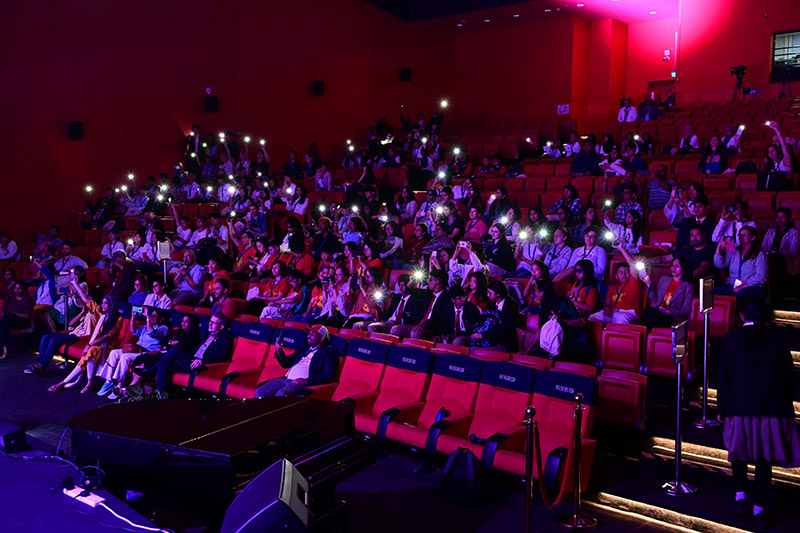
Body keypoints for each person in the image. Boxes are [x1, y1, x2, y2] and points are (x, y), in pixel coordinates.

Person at [718, 296, 800, 527]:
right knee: (764, 458)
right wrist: (786, 406)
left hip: (739, 407)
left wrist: (722, 407)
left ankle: (740, 498)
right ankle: (759, 509)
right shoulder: (778, 338)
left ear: (740, 314)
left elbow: (724, 377)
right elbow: (789, 376)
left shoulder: (731, 338)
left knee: (738, 454)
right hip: (771, 409)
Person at [47, 295, 122, 394]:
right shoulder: (102, 315)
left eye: (106, 303)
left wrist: (89, 345)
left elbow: (107, 336)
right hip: (98, 345)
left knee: (92, 350)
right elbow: (89, 302)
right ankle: (77, 382)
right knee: (91, 352)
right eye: (102, 303)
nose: (103, 305)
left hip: (109, 347)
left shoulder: (118, 318)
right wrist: (75, 289)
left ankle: (65, 383)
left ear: (111, 305)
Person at [152, 313, 234, 395]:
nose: (210, 324)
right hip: (191, 361)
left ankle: (150, 371)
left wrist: (202, 361)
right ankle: (160, 395)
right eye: (210, 321)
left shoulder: (225, 337)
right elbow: (195, 350)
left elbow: (222, 357)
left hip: (202, 367)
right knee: (163, 366)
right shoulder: (207, 333)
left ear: (221, 327)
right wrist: (184, 357)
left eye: (214, 323)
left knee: (177, 349)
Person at [97, 308, 169, 399]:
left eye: (155, 316)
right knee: (114, 352)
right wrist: (133, 317)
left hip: (147, 353)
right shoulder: (145, 327)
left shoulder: (163, 328)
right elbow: (134, 330)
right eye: (151, 315)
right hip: (136, 349)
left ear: (161, 319)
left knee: (125, 357)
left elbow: (151, 333)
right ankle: (109, 381)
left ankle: (119, 384)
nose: (152, 317)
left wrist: (147, 317)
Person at [616, 244, 692, 328]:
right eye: (672, 265)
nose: (673, 268)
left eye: (677, 266)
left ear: (684, 268)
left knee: (651, 315)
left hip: (671, 316)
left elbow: (686, 310)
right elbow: (654, 299)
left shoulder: (688, 286)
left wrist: (669, 311)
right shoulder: (664, 279)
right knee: (649, 312)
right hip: (657, 312)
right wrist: (648, 283)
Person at [254, 325, 339, 397]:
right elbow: (286, 363)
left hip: (301, 384)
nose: (308, 336)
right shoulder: (303, 348)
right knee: (261, 391)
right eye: (309, 334)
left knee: (281, 395)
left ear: (322, 338)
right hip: (285, 379)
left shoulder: (329, 352)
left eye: (312, 334)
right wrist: (279, 351)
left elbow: (329, 375)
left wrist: (307, 381)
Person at [588, 248, 643, 324]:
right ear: (616, 276)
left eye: (627, 272)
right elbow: (608, 302)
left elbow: (632, 266)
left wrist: (621, 248)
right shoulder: (613, 288)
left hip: (630, 313)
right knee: (592, 318)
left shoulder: (633, 283)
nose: (624, 274)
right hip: (614, 312)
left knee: (618, 317)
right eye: (621, 272)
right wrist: (607, 308)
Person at [390, 269, 449, 340]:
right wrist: (409, 284)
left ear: (438, 282)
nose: (428, 281)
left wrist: (424, 325)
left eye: (430, 279)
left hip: (432, 328)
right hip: (419, 325)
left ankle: (410, 348)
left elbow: (438, 318)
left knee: (415, 333)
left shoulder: (446, 298)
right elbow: (413, 291)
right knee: (396, 329)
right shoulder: (429, 294)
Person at [714, 226, 767, 299]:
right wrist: (718, 248)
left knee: (741, 294)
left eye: (745, 234)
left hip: (751, 285)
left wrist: (743, 286)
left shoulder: (759, 254)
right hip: (733, 284)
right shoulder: (733, 251)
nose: (741, 237)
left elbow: (761, 277)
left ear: (753, 238)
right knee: (715, 292)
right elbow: (720, 265)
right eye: (740, 235)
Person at [464, 280, 518, 352]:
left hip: (503, 341)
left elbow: (505, 330)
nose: (488, 295)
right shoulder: (491, 302)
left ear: (498, 294)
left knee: (474, 350)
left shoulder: (510, 306)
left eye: (490, 293)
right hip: (490, 337)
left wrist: (483, 335)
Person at [0, 282, 34, 359]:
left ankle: (4, 351)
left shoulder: (27, 300)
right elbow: (5, 311)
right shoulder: (12, 299)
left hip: (22, 321)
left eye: (19, 288)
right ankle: (4, 351)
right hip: (8, 320)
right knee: (4, 324)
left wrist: (13, 314)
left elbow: (27, 316)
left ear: (23, 289)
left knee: (5, 320)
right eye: (15, 288)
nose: (17, 290)